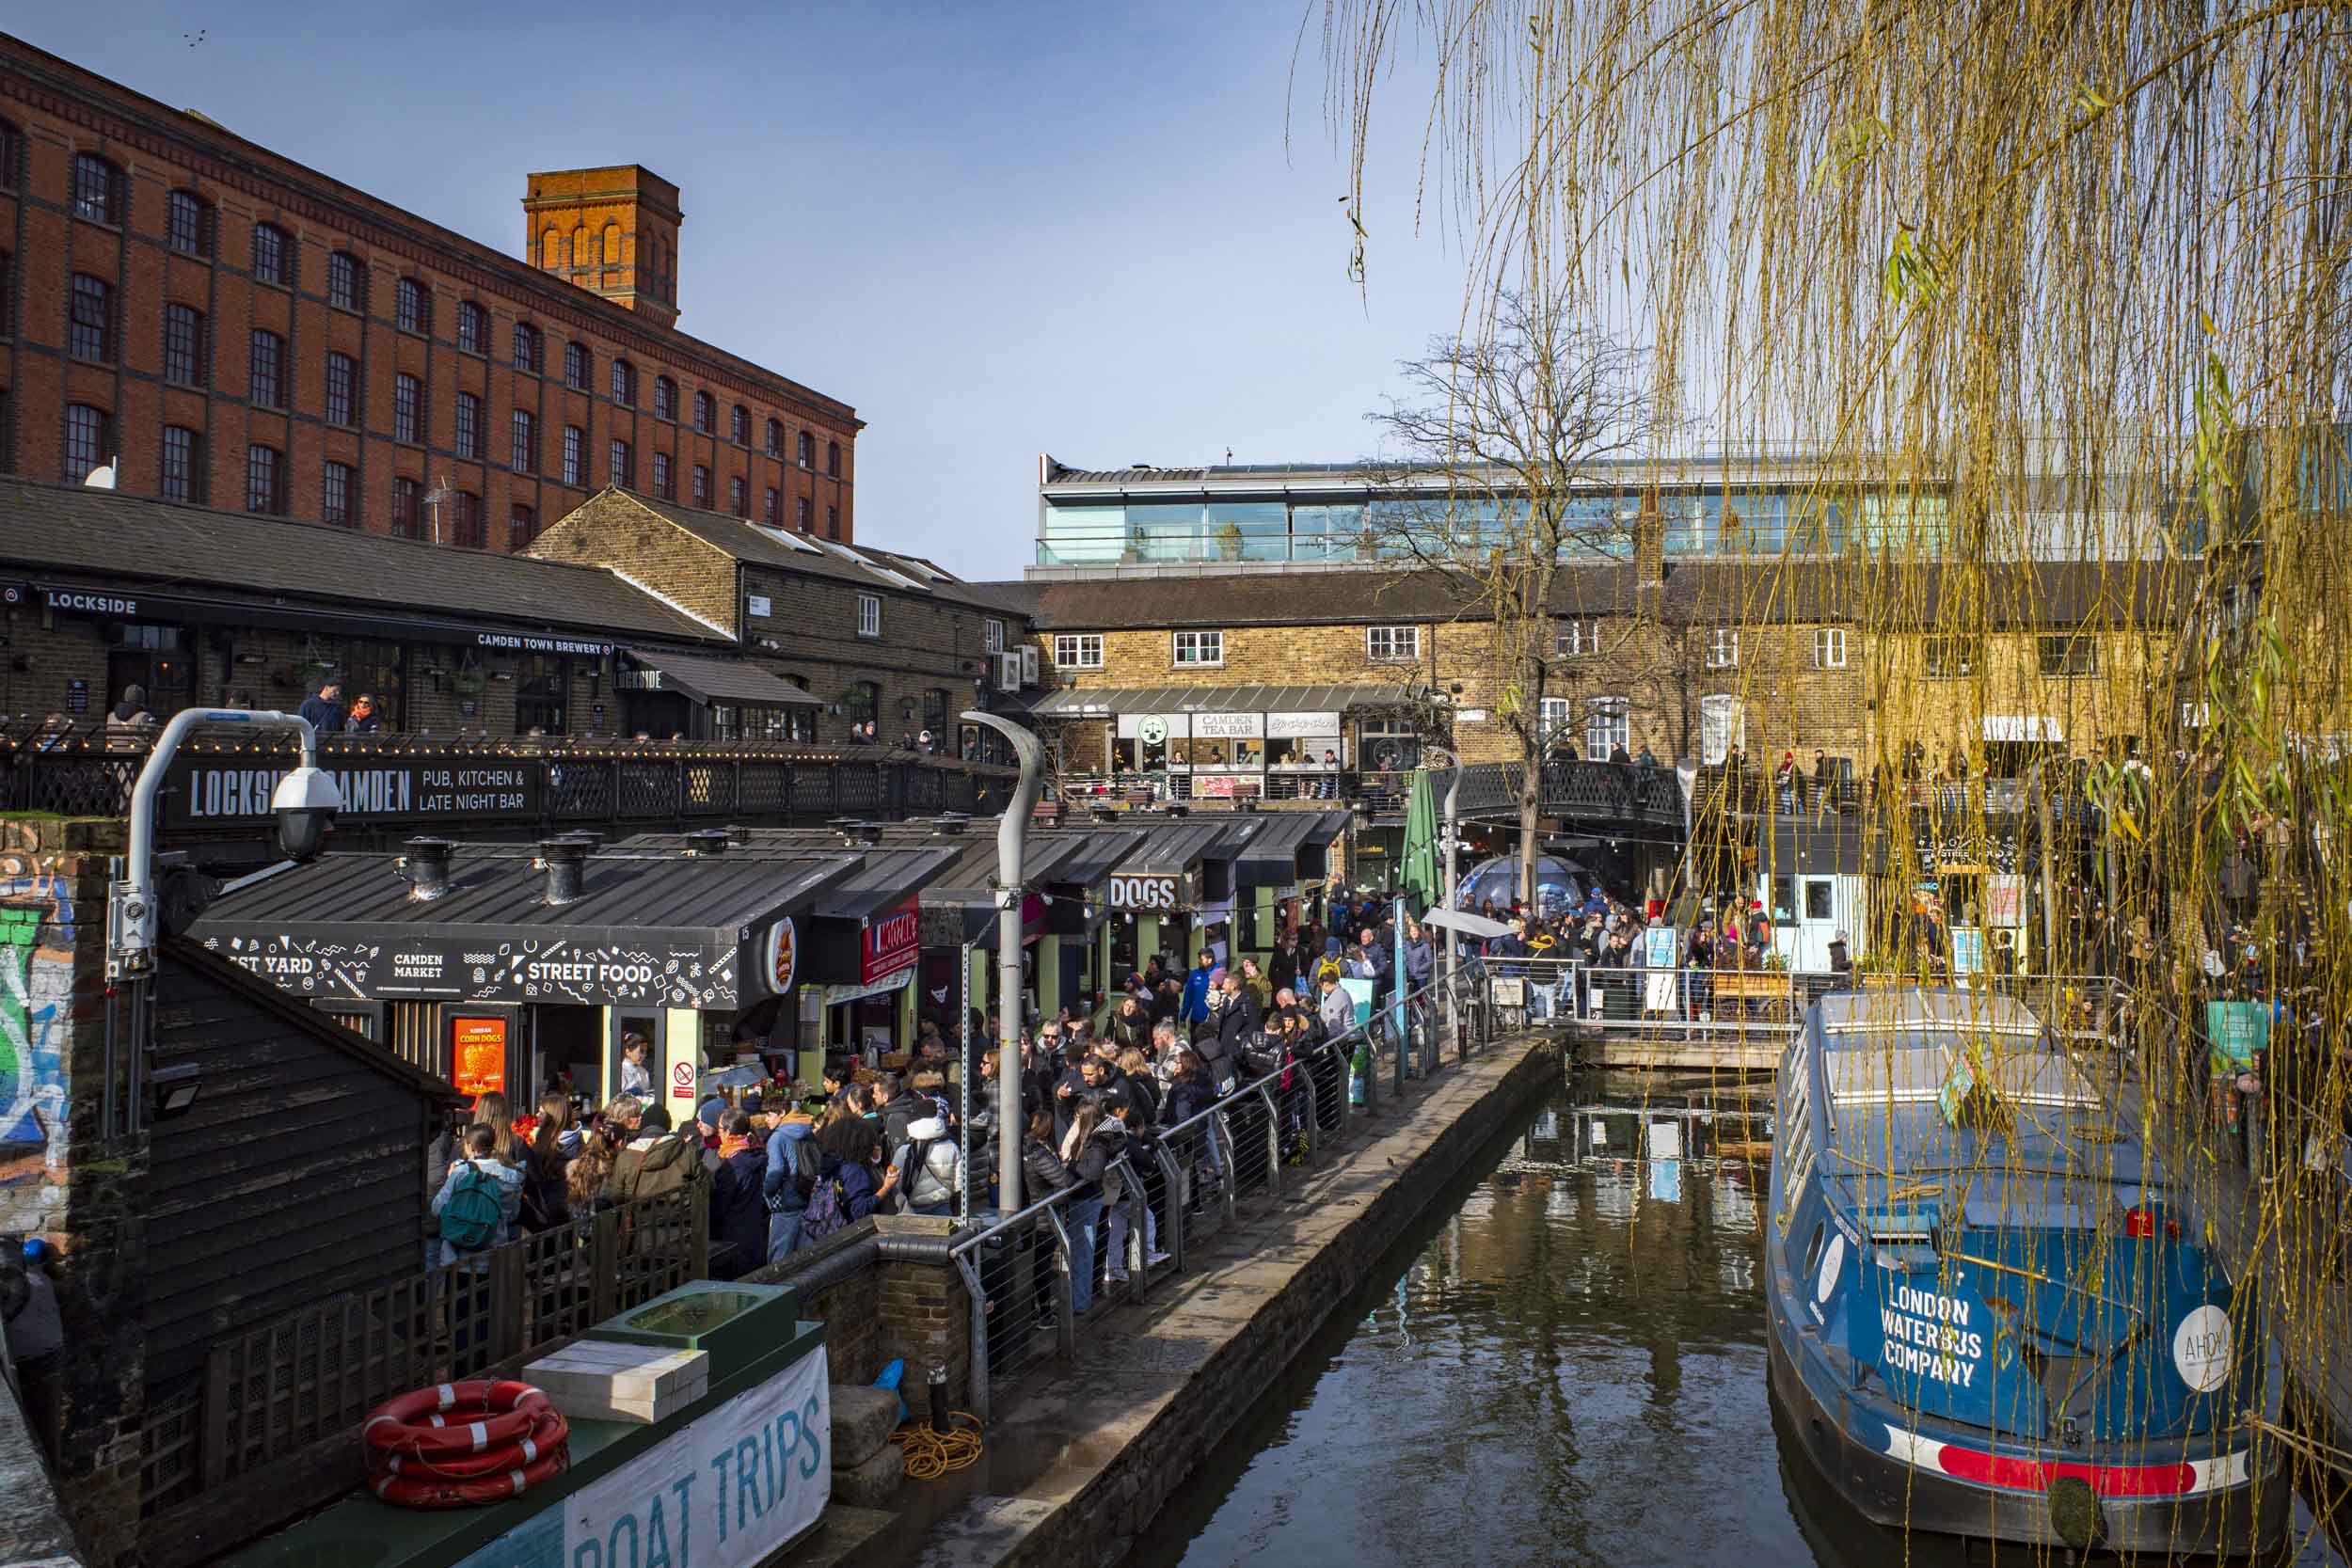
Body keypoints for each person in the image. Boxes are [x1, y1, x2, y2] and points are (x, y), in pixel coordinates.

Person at [430, 1123, 524, 1264]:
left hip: (458, 1255)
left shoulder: (461, 1172)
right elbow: (513, 1215)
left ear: (470, 1146)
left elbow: (436, 1208)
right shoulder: (511, 1176)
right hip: (494, 1255)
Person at [599, 1103, 701, 1210]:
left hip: (638, 1221)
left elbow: (616, 1195)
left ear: (643, 1126)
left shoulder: (626, 1156)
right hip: (680, 1220)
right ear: (668, 1126)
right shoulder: (687, 1150)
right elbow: (706, 1185)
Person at [707, 1108, 769, 1280]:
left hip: (731, 1242)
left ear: (727, 1132)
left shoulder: (732, 1166)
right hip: (755, 1235)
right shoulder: (757, 1153)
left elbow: (719, 1207)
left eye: (719, 1129)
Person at [762, 1107, 821, 1260]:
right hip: (808, 1198)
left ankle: (778, 1285)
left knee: (779, 1257)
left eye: (769, 1115)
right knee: (803, 1257)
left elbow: (776, 1171)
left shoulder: (777, 1138)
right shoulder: (807, 1132)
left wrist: (767, 1192)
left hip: (785, 1203)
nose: (766, 1119)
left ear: (782, 1113)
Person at [519, 1093, 574, 1234]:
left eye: (541, 1112)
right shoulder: (548, 1139)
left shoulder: (557, 1146)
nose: (537, 1115)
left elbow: (536, 1179)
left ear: (552, 1116)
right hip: (557, 1211)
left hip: (551, 1212)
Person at [1180, 950, 1217, 1027]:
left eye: (1201, 959)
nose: (1198, 961)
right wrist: (1183, 1017)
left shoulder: (1219, 973)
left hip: (1213, 1021)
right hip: (1196, 1020)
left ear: (1209, 960)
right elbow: (1188, 997)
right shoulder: (1194, 974)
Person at [619, 1034, 654, 1099]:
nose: (644, 1055)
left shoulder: (644, 1071)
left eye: (646, 1052)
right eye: (641, 1051)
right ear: (628, 1051)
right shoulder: (620, 1070)